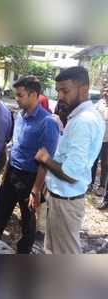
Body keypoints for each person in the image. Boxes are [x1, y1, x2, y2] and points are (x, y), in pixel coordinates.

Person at [35, 66, 105, 254]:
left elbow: (71, 173)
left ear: (83, 90)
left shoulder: (83, 121)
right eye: (58, 91)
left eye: (65, 91)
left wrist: (45, 159)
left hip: (66, 201)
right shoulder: (81, 117)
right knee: (53, 251)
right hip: (62, 199)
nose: (59, 96)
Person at [0, 75, 60, 254]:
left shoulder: (47, 122)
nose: (16, 98)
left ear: (33, 94)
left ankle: (23, 253)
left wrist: (36, 190)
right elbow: (15, 147)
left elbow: (45, 160)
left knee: (28, 221)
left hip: (30, 178)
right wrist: (7, 171)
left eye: (20, 95)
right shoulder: (20, 116)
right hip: (12, 173)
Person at [91, 80, 108, 203]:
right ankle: (90, 183)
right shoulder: (99, 103)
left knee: (105, 165)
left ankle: (102, 187)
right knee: (93, 161)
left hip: (107, 141)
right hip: (96, 139)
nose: (105, 93)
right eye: (105, 91)